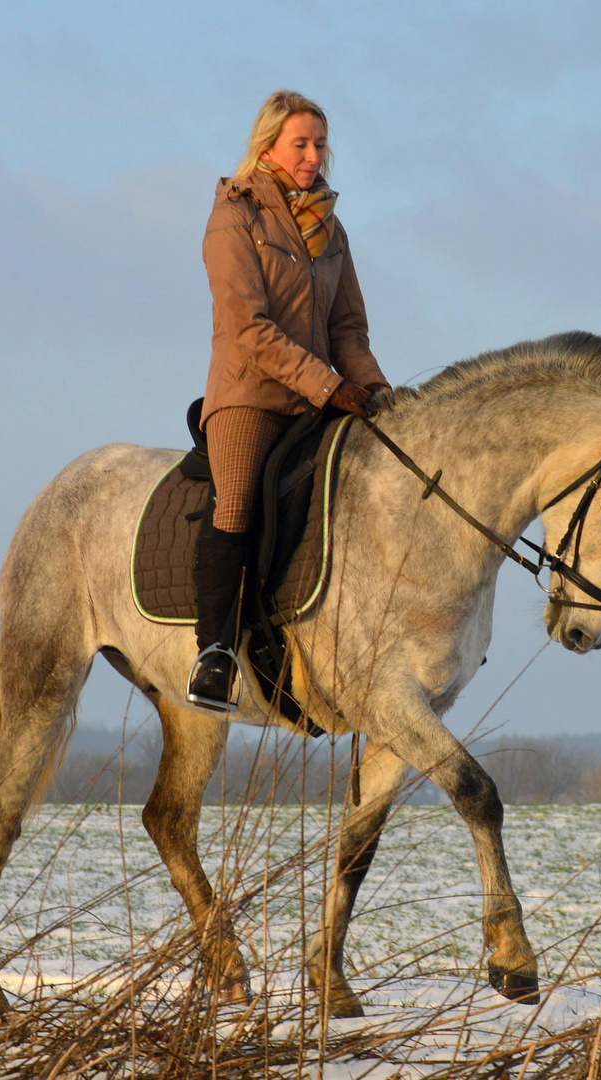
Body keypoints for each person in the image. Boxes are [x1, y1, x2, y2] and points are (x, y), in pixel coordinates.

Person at [189, 89, 390, 712]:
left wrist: (379, 393)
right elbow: (248, 330)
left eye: (320, 144)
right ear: (268, 144)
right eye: (300, 144)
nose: (312, 156)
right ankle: (215, 654)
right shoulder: (234, 217)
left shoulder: (331, 229)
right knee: (242, 498)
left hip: (315, 399)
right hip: (249, 396)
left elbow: (347, 331)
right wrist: (330, 386)